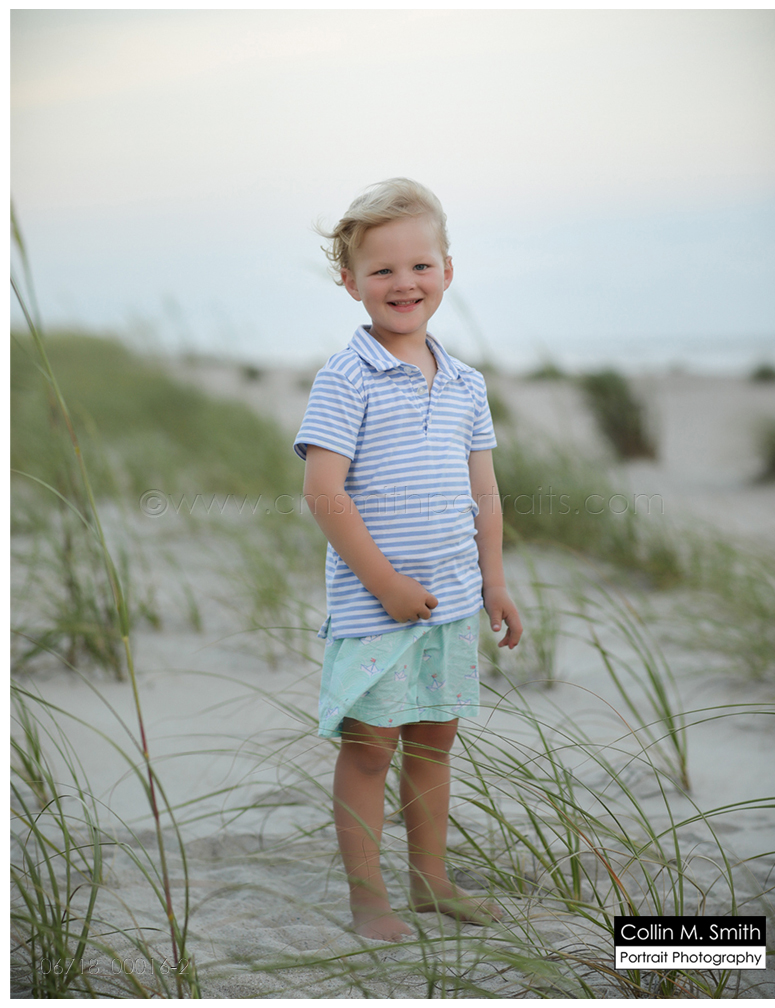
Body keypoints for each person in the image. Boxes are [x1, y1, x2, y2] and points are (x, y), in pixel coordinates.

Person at [294, 178, 522, 942]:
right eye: (382, 269)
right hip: (375, 610)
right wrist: (386, 583)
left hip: (451, 604)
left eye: (420, 265)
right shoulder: (346, 377)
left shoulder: (465, 384)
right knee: (369, 752)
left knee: (434, 747)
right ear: (350, 281)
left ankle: (431, 882)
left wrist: (494, 582)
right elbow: (323, 491)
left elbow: (484, 493)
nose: (404, 283)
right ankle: (369, 900)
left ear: (447, 271)